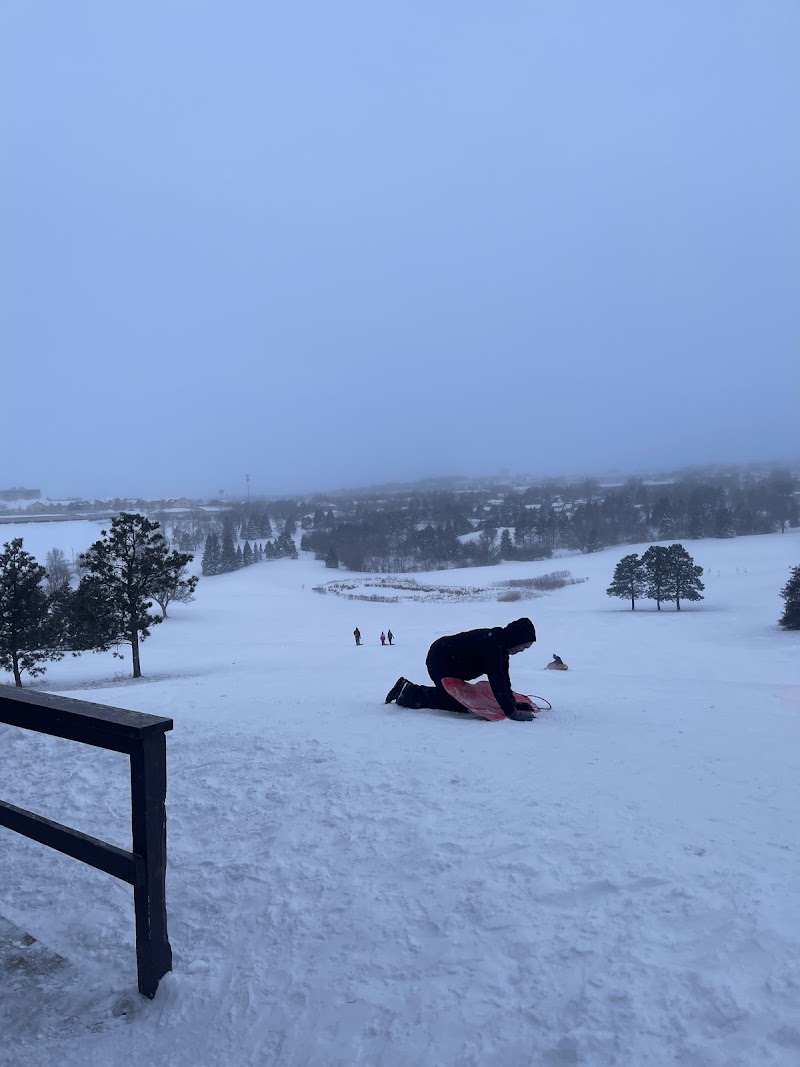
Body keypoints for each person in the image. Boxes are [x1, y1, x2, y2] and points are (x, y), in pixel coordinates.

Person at [385, 617, 537, 721]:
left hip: (450, 660)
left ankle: (407, 690)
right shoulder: (494, 645)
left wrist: (512, 703)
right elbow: (496, 680)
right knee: (456, 703)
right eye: (522, 646)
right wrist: (511, 712)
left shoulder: (500, 645)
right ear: (515, 638)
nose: (521, 650)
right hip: (440, 658)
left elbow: (504, 678)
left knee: (458, 701)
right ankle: (405, 692)